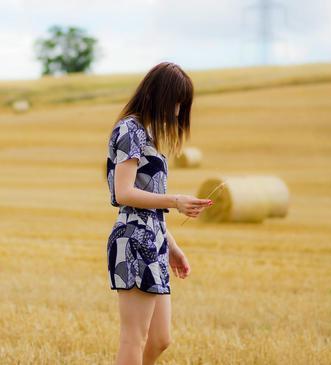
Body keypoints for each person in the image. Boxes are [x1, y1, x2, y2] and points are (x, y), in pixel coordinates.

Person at [105, 62, 213, 365]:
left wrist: (172, 246)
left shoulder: (148, 137)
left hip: (154, 239)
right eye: (176, 102)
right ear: (158, 95)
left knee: (160, 339)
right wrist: (176, 200)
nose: (178, 112)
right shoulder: (129, 130)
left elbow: (150, 204)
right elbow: (123, 193)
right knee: (134, 338)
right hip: (133, 241)